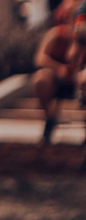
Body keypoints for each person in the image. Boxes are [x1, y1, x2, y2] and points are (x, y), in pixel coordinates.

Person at [32, 10, 86, 145]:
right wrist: (59, 68)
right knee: (40, 78)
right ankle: (50, 119)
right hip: (60, 80)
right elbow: (39, 58)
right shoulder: (57, 34)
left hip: (79, 80)